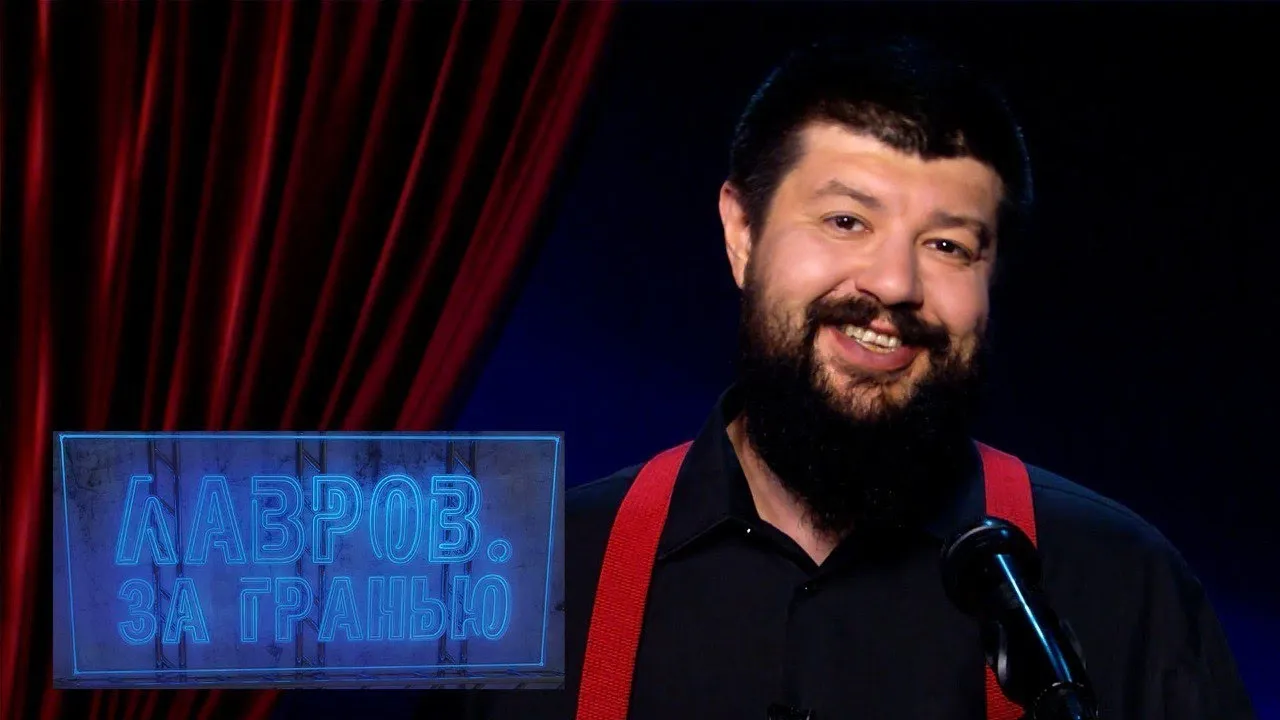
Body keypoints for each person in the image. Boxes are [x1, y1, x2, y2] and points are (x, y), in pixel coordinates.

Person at [474, 35, 1255, 720]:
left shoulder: (1125, 583)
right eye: (846, 221)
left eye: (948, 246)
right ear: (742, 234)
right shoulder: (534, 577)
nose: (893, 284)